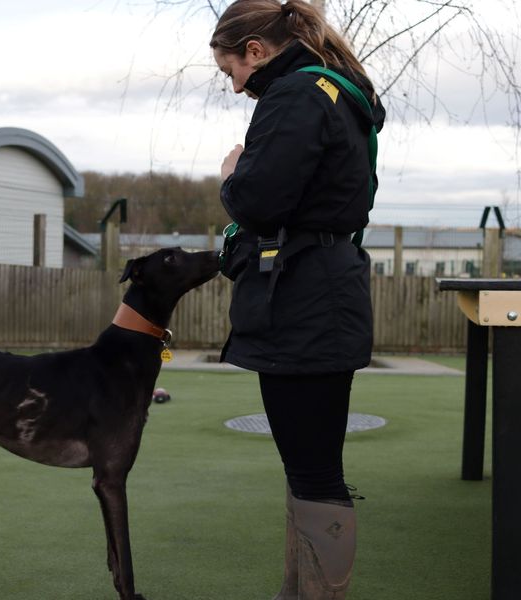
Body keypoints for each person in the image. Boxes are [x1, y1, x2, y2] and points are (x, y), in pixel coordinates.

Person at [210, 1, 385, 599]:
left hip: (306, 300)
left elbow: (258, 201)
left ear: (256, 51)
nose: (234, 87)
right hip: (325, 291)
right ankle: (301, 590)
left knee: (314, 472)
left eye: (229, 70)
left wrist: (231, 175)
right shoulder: (337, 93)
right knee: (308, 467)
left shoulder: (296, 96)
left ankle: (316, 595)